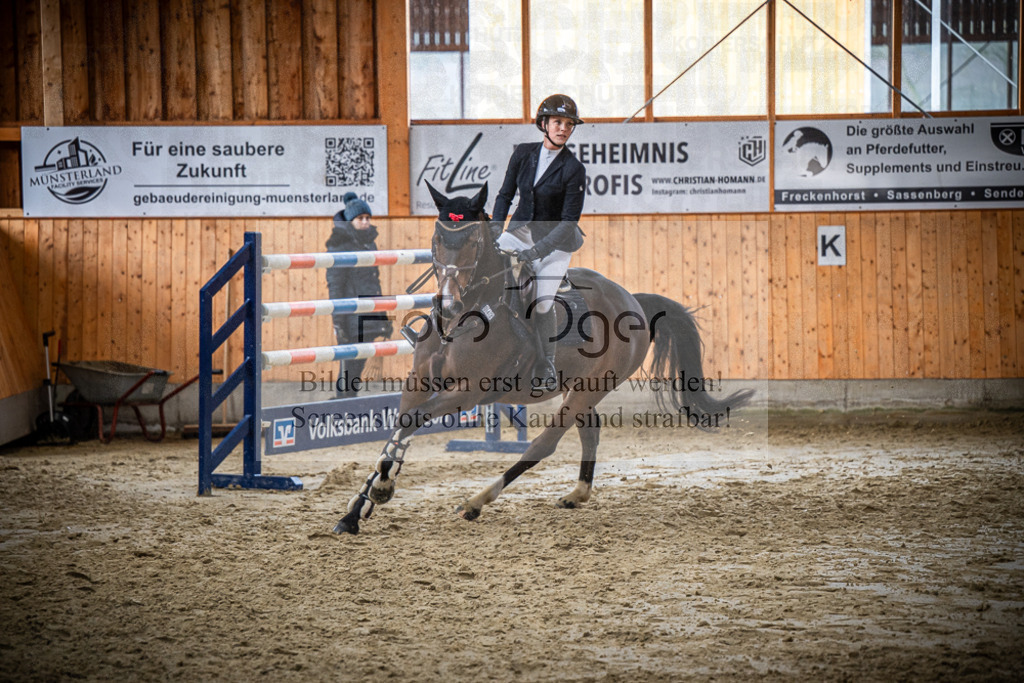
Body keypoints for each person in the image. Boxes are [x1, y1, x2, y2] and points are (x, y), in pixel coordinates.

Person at [491, 93, 587, 389]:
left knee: (543, 304)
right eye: (558, 122)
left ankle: (546, 364)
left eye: (569, 124)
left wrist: (536, 251)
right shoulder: (523, 153)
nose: (564, 128)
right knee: (483, 267)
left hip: (556, 244)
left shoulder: (574, 169)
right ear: (544, 123)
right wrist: (496, 230)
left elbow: (569, 222)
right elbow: (505, 194)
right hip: (521, 231)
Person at [326, 192, 392, 398]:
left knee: (355, 371)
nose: (365, 222)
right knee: (349, 371)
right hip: (350, 318)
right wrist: (338, 323)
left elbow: (374, 282)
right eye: (360, 218)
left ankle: (344, 408)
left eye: (367, 218)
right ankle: (340, 408)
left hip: (367, 314)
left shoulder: (369, 243)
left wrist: (382, 317)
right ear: (351, 220)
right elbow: (335, 285)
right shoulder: (339, 245)